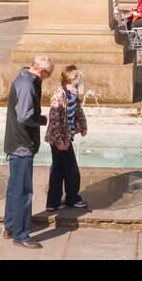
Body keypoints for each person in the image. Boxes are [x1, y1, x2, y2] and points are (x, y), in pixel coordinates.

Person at [4, 55, 53, 249]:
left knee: (14, 189)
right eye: (47, 76)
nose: (46, 79)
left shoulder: (25, 79)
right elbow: (24, 117)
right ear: (41, 71)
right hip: (21, 145)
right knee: (23, 192)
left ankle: (10, 227)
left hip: (17, 143)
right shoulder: (26, 85)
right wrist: (41, 120)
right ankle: (21, 235)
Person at [44, 65, 89, 213]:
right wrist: (59, 143)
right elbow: (54, 122)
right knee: (69, 170)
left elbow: (78, 111)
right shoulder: (58, 97)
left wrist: (83, 126)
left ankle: (54, 202)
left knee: (59, 169)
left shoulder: (73, 95)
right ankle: (71, 199)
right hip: (59, 140)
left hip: (66, 138)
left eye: (78, 85)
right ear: (65, 83)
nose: (76, 88)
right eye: (73, 85)